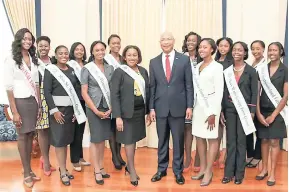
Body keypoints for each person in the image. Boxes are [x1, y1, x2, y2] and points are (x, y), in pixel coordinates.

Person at [149, 32, 194, 185]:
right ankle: (161, 169)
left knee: (178, 141)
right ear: (159, 42)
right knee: (162, 140)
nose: (165, 42)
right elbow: (152, 87)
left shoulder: (184, 59)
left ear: (174, 41)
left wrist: (189, 106)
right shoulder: (153, 62)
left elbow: (189, 84)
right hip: (160, 108)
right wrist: (151, 108)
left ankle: (178, 171)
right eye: (163, 39)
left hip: (179, 108)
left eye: (168, 39)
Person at [44, 45, 86, 186]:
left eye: (66, 53)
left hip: (70, 111)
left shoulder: (72, 70)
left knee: (67, 140)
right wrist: (54, 111)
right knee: (60, 142)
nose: (63, 55)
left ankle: (65, 168)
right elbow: (47, 92)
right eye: (60, 53)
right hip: (58, 111)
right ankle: (62, 171)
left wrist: (75, 111)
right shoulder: (50, 70)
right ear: (56, 55)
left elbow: (76, 92)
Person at [4, 28, 41, 188]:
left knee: (30, 135)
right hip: (19, 102)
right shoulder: (11, 59)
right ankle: (26, 172)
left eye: (30, 39)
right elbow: (9, 87)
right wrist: (14, 111)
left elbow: (37, 84)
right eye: (25, 38)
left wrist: (39, 105)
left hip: (33, 102)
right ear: (19, 39)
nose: (28, 41)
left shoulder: (33, 58)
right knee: (22, 137)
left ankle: (29, 169)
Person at [111, 45, 150, 186]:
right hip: (125, 113)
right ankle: (132, 169)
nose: (132, 57)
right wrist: (118, 116)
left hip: (139, 111)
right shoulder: (119, 72)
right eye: (129, 55)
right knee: (128, 140)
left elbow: (148, 92)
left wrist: (148, 111)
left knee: (134, 140)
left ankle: (129, 165)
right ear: (124, 57)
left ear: (138, 57)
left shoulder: (143, 71)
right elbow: (114, 95)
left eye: (135, 55)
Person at [222, 41, 258, 185]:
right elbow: (224, 91)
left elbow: (255, 92)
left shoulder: (251, 71)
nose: (236, 52)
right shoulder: (227, 69)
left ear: (244, 52)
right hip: (229, 110)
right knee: (231, 142)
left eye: (240, 50)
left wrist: (252, 112)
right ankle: (228, 173)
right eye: (234, 50)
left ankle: (239, 174)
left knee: (241, 143)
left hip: (245, 111)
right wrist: (222, 110)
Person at [191, 38, 224, 186]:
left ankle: (209, 171)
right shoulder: (197, 65)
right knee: (199, 138)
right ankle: (203, 168)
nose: (201, 50)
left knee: (211, 139)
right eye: (200, 47)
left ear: (212, 49)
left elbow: (219, 92)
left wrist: (213, 113)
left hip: (211, 108)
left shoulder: (217, 67)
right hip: (198, 107)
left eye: (205, 47)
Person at [255, 42, 287, 186]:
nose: (272, 52)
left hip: (277, 111)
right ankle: (264, 169)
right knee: (264, 140)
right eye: (270, 50)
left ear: (281, 52)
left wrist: (274, 115)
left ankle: (273, 172)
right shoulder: (262, 69)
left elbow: (286, 96)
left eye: (275, 50)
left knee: (274, 141)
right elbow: (256, 92)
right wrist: (258, 113)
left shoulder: (285, 70)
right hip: (262, 110)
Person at [81, 41, 113, 185]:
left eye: (102, 49)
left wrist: (112, 108)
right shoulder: (87, 69)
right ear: (92, 52)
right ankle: (97, 170)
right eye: (97, 50)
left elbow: (113, 89)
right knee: (95, 139)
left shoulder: (110, 68)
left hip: (107, 107)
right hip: (93, 108)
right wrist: (95, 110)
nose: (100, 52)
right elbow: (84, 92)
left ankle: (101, 166)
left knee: (103, 139)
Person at [104, 34, 126, 169]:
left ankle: (119, 154)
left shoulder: (124, 59)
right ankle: (114, 156)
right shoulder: (106, 59)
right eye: (113, 43)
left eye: (118, 43)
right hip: (110, 95)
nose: (116, 45)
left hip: (123, 96)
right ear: (109, 45)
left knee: (120, 128)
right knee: (112, 127)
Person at [68, 42, 90, 172]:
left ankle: (80, 157)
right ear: (73, 51)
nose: (79, 51)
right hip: (75, 101)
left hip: (85, 101)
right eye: (77, 49)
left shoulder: (87, 65)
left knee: (81, 130)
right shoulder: (70, 66)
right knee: (75, 131)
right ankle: (74, 160)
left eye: (82, 49)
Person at [182, 31, 202, 173]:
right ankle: (187, 157)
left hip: (202, 98)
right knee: (187, 128)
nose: (190, 43)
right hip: (186, 98)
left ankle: (199, 158)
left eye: (193, 41)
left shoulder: (203, 58)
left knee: (200, 129)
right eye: (188, 40)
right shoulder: (181, 58)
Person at [36, 36, 56, 176]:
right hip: (39, 96)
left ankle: (44, 158)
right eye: (41, 46)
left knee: (49, 130)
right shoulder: (32, 62)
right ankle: (46, 162)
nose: (43, 48)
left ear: (50, 47)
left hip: (53, 96)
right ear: (37, 47)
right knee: (42, 130)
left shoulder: (53, 61)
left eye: (46, 46)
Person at [246, 40, 266, 168]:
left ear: (263, 49)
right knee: (248, 129)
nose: (255, 51)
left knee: (259, 131)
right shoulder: (251, 63)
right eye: (253, 49)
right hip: (250, 101)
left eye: (258, 49)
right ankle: (250, 154)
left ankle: (257, 156)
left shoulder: (265, 65)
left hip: (260, 102)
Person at [214, 37, 234, 169]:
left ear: (230, 47)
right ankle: (216, 155)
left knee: (229, 130)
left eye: (226, 46)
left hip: (229, 100)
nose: (223, 48)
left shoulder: (232, 63)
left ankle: (225, 156)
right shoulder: (214, 62)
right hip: (216, 99)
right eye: (220, 46)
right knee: (217, 130)